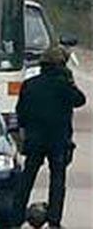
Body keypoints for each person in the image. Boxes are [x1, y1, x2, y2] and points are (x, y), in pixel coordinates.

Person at [14, 45, 86, 228]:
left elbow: (20, 112)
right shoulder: (63, 84)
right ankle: (54, 220)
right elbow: (80, 100)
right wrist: (70, 81)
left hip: (35, 139)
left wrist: (24, 132)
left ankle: (15, 216)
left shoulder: (30, 84)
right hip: (58, 140)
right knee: (57, 181)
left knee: (27, 179)